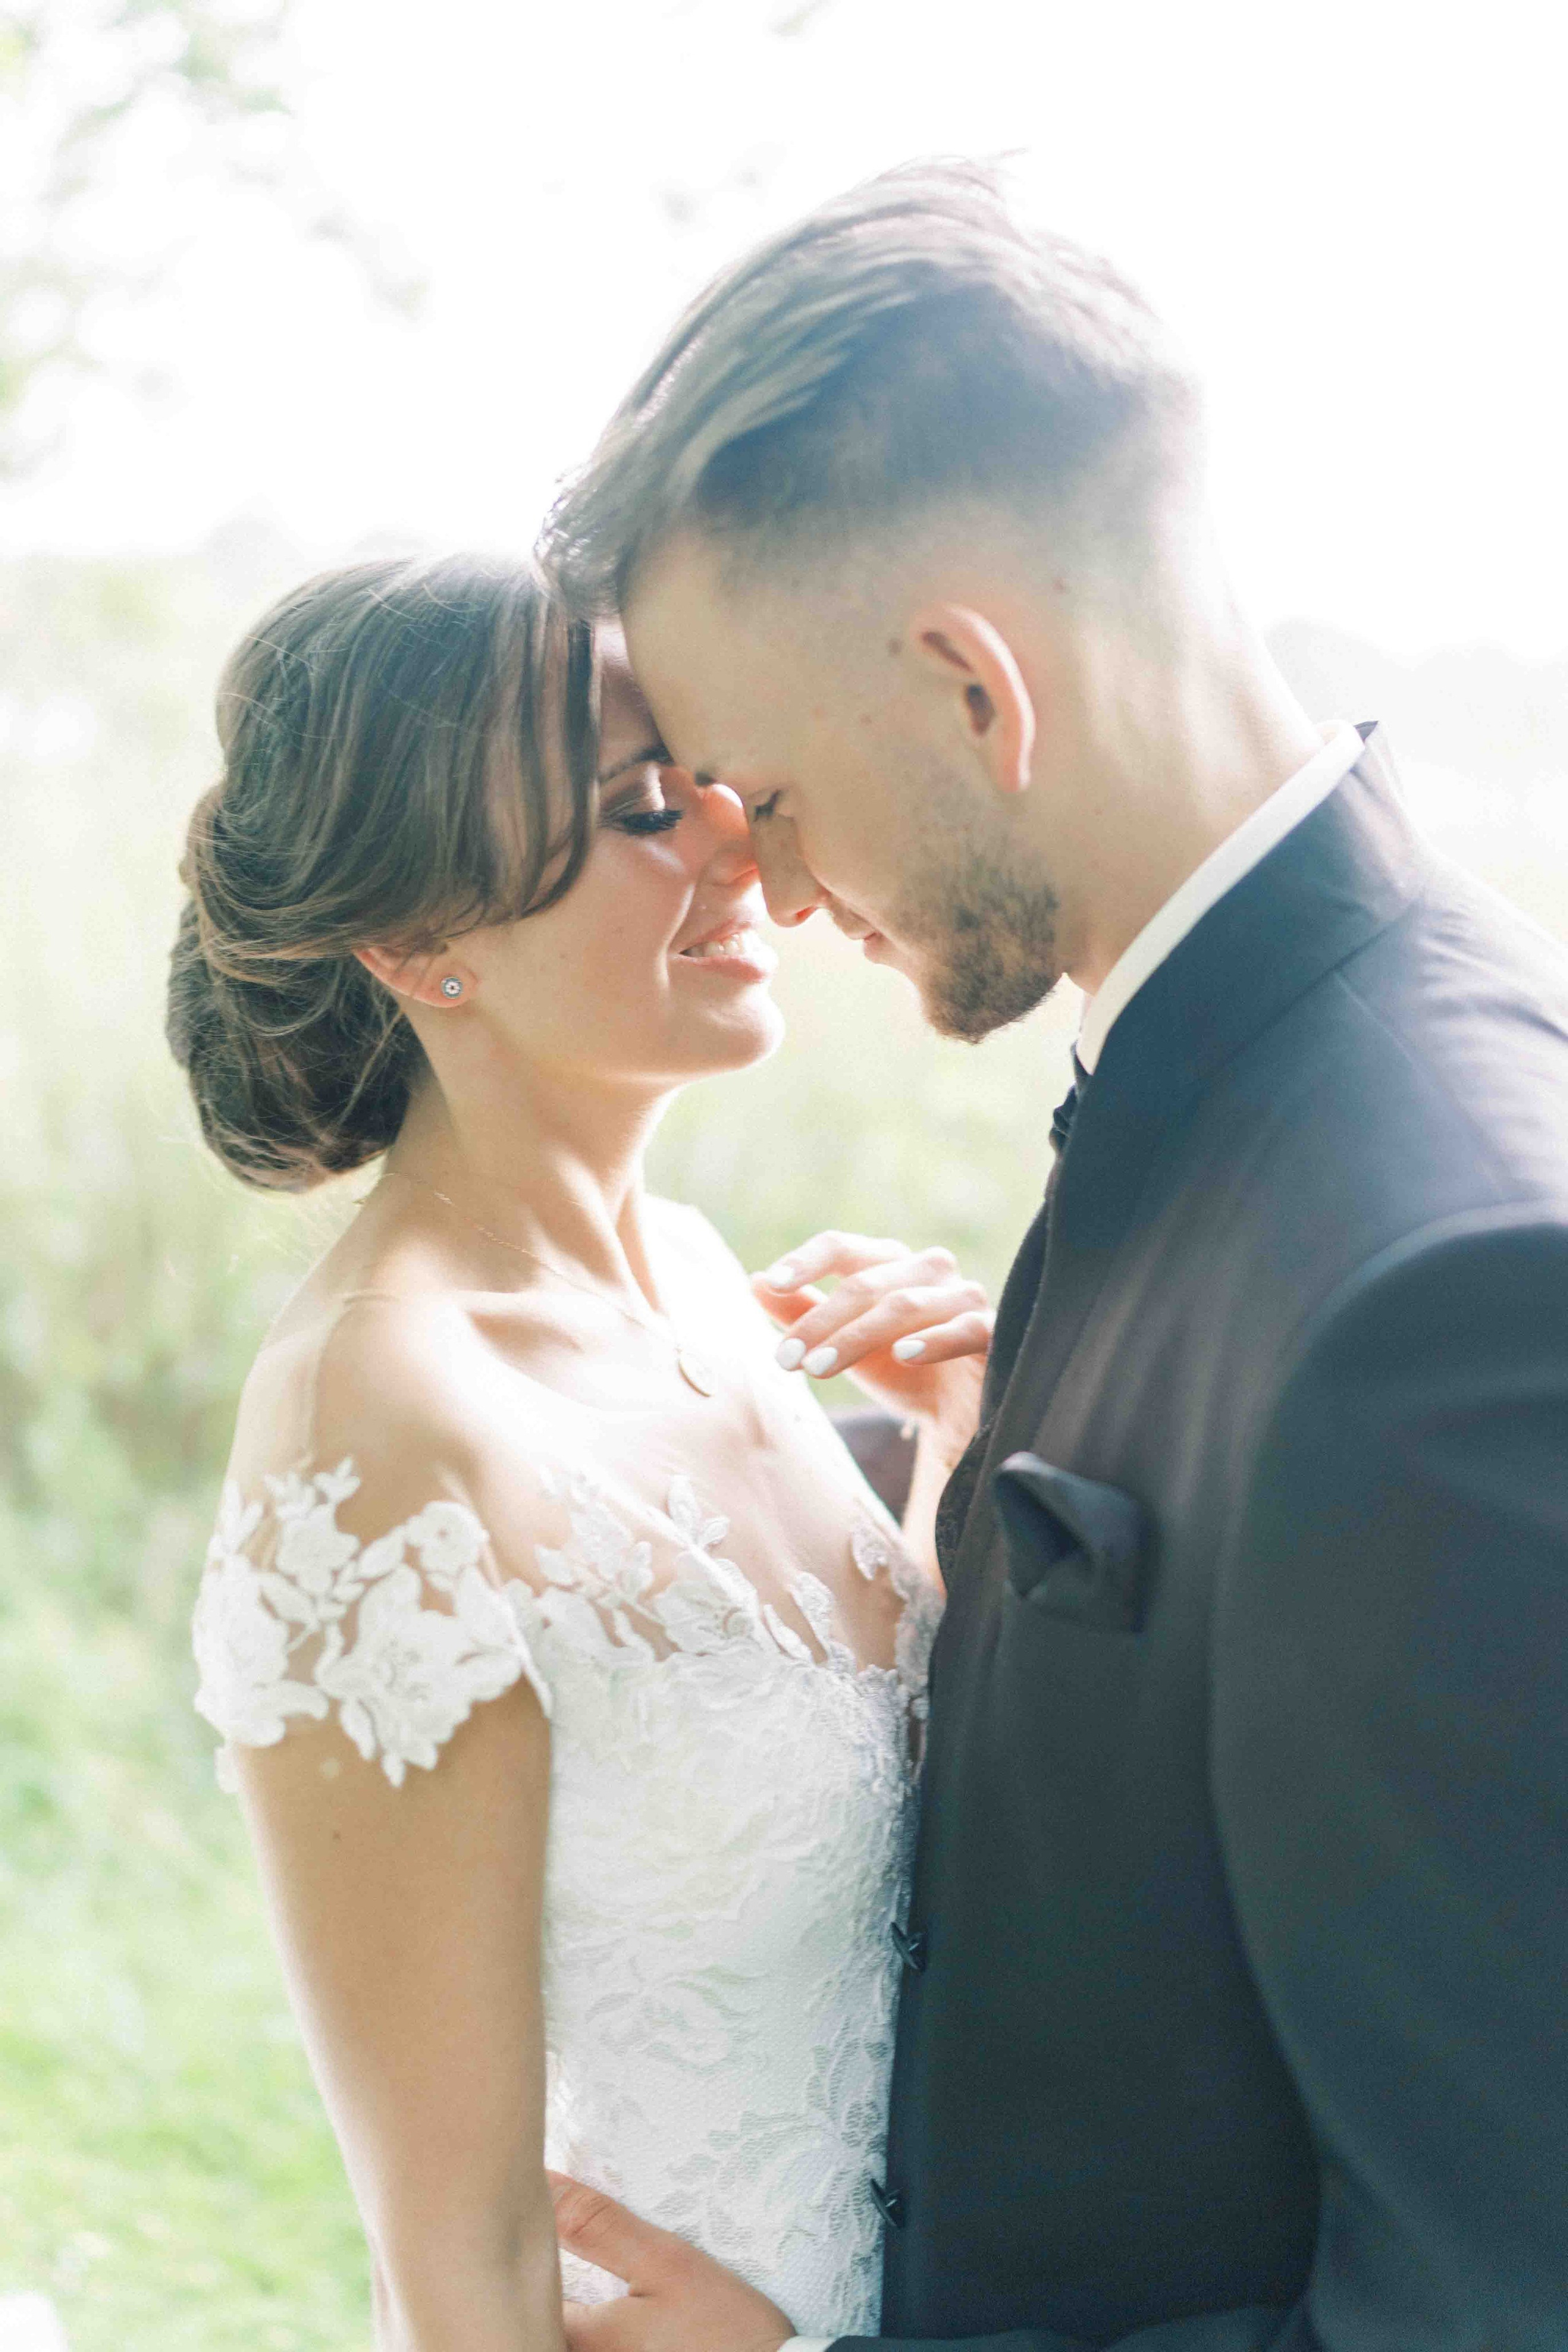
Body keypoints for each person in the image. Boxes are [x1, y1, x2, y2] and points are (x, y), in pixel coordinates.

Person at [538, 160, 1568, 2350]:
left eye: (772, 797)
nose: (778, 898)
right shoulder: (1248, 1068)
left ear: (966, 689)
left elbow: (1498, 2294)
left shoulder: (1445, 1292)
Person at [167, 551, 993, 2350]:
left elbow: (851, 1793)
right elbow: (455, 2258)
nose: (734, 841)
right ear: (415, 948)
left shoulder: (699, 1274)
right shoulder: (378, 1438)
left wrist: (959, 1465)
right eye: (638, 808)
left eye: (704, 774)